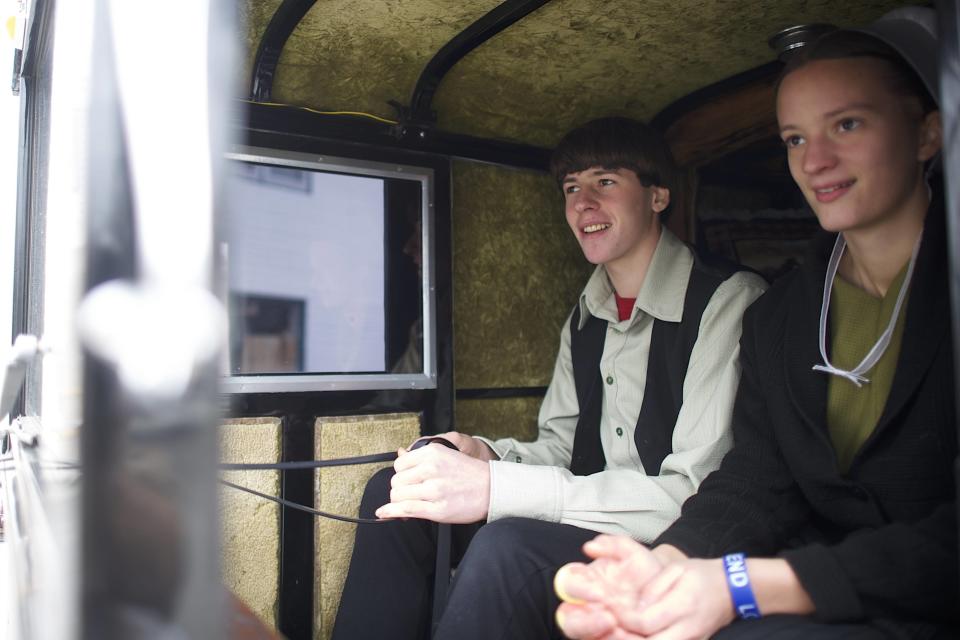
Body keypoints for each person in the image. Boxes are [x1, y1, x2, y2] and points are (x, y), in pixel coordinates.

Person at [554, 7, 957, 639]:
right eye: (795, 138)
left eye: (846, 124)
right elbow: (757, 479)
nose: (815, 160)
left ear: (928, 134)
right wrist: (665, 564)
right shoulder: (781, 316)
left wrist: (744, 585)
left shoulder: (734, 299)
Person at [331, 117, 767, 640]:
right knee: (399, 494)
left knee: (508, 545)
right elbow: (562, 448)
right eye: (570, 188)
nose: (583, 203)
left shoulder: (726, 300)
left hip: (672, 538)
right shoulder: (585, 316)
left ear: (657, 196)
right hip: (594, 515)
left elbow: (694, 494)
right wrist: (485, 454)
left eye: (605, 182)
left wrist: (497, 489)